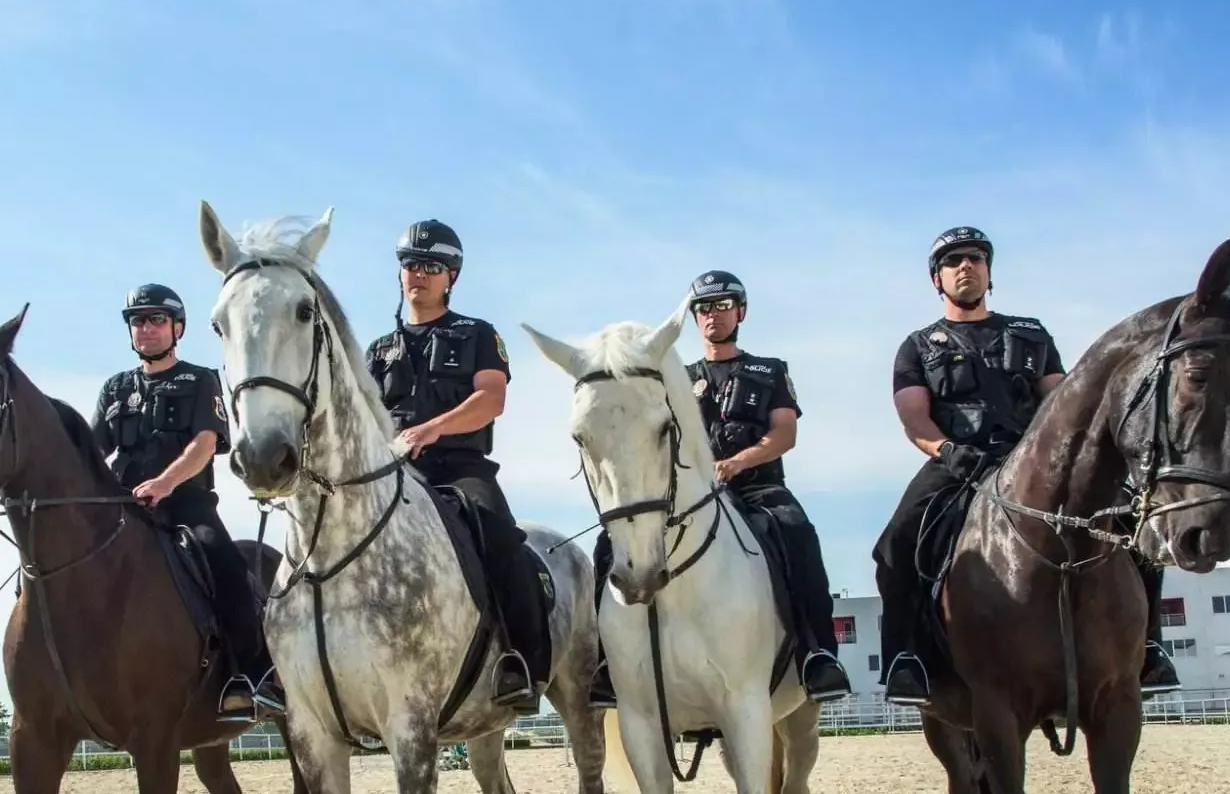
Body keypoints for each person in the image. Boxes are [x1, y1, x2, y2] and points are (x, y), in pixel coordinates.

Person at [873, 226, 1179, 704]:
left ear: (989, 271)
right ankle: (906, 657)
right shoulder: (917, 346)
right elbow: (914, 417)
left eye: (975, 257)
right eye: (952, 260)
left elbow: (1063, 400)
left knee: (1128, 522)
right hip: (959, 464)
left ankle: (1150, 645)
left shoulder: (1030, 334)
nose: (965, 266)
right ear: (937, 279)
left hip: (1036, 463)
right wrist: (948, 450)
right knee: (895, 544)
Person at [587, 270, 854, 708]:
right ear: (695, 318)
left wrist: (738, 462)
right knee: (608, 543)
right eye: (704, 308)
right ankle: (606, 664)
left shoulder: (769, 370)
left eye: (723, 305)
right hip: (691, 497)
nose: (713, 314)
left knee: (798, 534)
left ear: (740, 311)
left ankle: (817, 653)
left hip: (757, 489)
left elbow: (784, 433)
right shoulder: (675, 377)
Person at [363, 221, 546, 712]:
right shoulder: (377, 350)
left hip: (460, 468)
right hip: (393, 474)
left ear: (452, 277)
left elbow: (491, 399)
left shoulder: (477, 334)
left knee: (502, 540)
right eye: (410, 264)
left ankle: (521, 663)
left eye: (432, 266)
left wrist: (432, 429)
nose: (418, 274)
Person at [91, 283, 283, 716]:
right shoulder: (114, 389)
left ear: (177, 328)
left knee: (227, 566)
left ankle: (252, 675)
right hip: (126, 508)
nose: (146, 327)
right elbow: (91, 453)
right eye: (138, 320)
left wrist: (164, 483)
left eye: (157, 319)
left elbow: (203, 445)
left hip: (186, 505)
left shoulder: (199, 379)